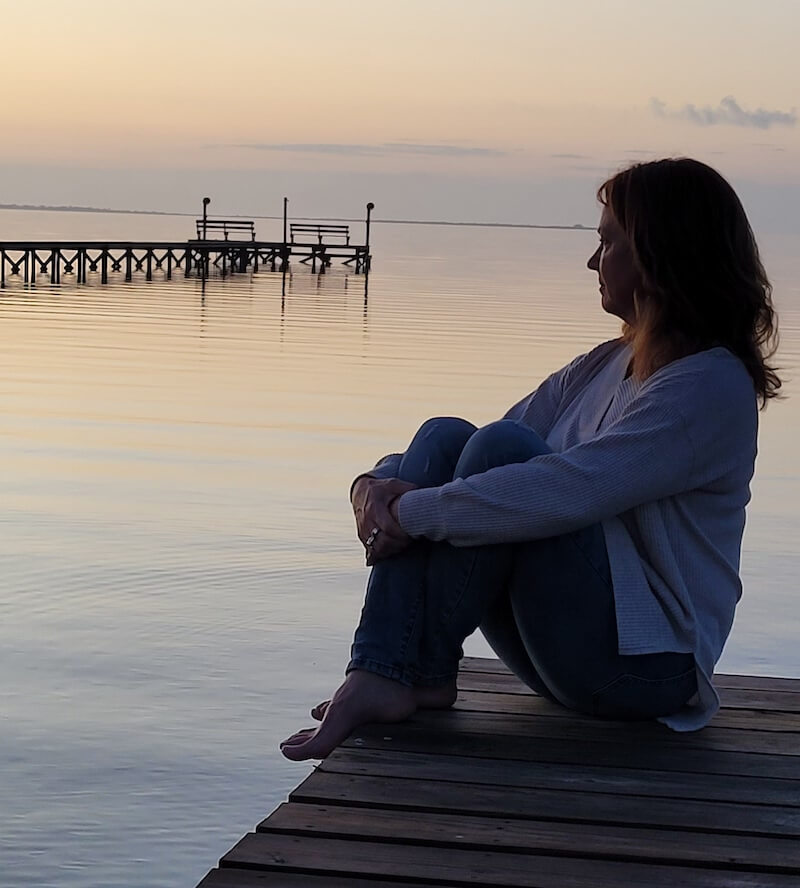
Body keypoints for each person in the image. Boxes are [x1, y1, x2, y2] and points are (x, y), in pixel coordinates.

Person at [280, 157, 781, 762]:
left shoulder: (707, 388)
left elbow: (572, 488)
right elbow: (465, 453)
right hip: (569, 651)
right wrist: (376, 483)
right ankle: (405, 671)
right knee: (446, 436)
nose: (593, 262)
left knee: (505, 455)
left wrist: (407, 511)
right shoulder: (605, 364)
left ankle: (388, 671)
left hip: (648, 672)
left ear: (657, 254)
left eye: (608, 243)